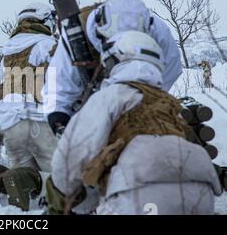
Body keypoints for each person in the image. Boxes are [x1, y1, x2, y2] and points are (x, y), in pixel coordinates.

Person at [47, 30, 222, 215]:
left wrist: (65, 203)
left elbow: (70, 159)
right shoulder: (168, 103)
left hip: (139, 199)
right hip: (201, 196)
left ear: (112, 62)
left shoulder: (110, 97)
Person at [43, 0, 183, 136]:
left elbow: (171, 70)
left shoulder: (158, 32)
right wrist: (59, 121)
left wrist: (149, 98)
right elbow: (57, 88)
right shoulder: (76, 36)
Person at [0, 3, 58, 211]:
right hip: (41, 122)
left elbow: (1, 87)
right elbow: (63, 83)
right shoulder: (47, 44)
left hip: (11, 125)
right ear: (44, 20)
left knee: (23, 179)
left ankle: (0, 176)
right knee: (60, 181)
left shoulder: (7, 51)